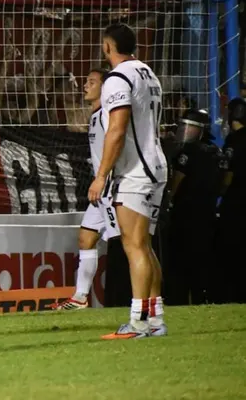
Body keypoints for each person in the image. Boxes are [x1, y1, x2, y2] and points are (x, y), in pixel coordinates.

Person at [87, 23, 168, 339]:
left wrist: (101, 176)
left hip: (135, 172)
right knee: (145, 246)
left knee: (134, 247)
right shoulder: (147, 72)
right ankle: (155, 318)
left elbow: (117, 129)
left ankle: (137, 323)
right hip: (157, 166)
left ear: (108, 46)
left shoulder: (117, 79)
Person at [54, 69, 120, 310]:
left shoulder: (108, 115)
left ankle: (145, 299)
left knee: (127, 246)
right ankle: (80, 297)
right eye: (86, 80)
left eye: (92, 82)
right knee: (86, 238)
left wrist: (104, 178)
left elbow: (118, 146)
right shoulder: (95, 115)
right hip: (100, 189)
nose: (85, 85)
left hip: (111, 187)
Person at [164, 109, 226, 305]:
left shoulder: (186, 152)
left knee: (180, 259)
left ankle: (179, 298)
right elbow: (224, 181)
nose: (184, 132)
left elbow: (178, 179)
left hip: (185, 212)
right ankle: (202, 297)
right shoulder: (217, 151)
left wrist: (169, 199)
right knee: (202, 258)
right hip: (207, 212)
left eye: (188, 128)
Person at [215, 97, 246, 303]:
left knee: (232, 250)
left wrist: (219, 193)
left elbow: (229, 174)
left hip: (236, 202)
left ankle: (233, 294)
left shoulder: (234, 141)